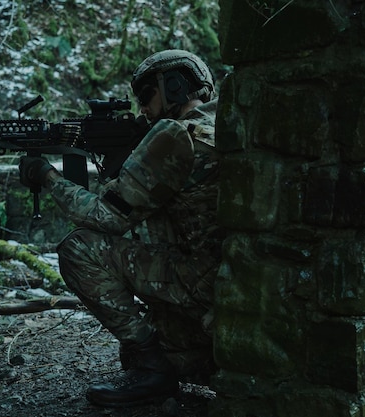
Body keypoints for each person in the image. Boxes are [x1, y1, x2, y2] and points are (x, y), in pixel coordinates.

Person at [18, 49, 224, 407]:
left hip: (200, 282)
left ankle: (153, 367)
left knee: (79, 249)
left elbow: (106, 217)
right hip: (230, 282)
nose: (141, 108)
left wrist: (46, 176)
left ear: (174, 85)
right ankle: (180, 356)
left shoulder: (176, 136)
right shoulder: (226, 124)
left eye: (146, 95)